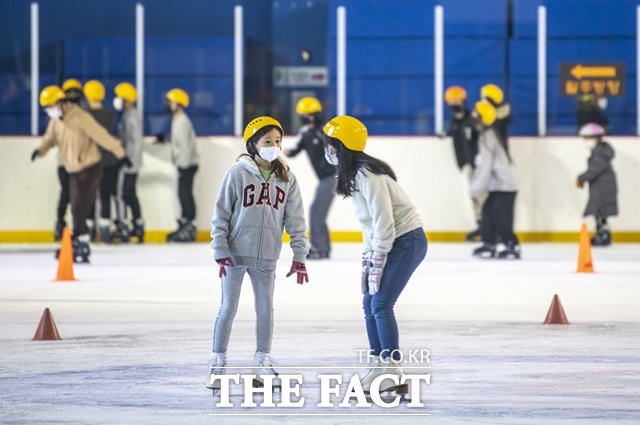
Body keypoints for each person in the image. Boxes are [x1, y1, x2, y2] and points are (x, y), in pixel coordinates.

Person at [322, 115, 427, 396]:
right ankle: (378, 366)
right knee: (369, 302)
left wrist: (378, 256)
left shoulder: (367, 174)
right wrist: (369, 255)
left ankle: (392, 369)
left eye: (330, 145)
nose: (327, 150)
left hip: (406, 241)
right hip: (389, 242)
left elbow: (384, 221)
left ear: (340, 147)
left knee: (381, 302)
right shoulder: (356, 174)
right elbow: (370, 224)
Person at [207, 116, 309, 393]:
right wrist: (220, 250)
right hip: (235, 254)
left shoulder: (287, 178)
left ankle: (262, 361)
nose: (274, 146)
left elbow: (296, 221)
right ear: (253, 144)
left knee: (265, 309)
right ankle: (218, 361)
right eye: (267, 142)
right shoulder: (236, 174)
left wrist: (299, 255)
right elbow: (221, 215)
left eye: (277, 141)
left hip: (267, 255)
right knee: (228, 307)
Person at [31, 86, 130, 263]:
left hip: (90, 166)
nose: (50, 111)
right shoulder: (56, 122)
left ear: (61, 103)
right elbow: (49, 138)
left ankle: (80, 241)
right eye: (47, 108)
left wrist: (120, 153)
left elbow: (101, 135)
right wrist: (40, 150)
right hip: (73, 169)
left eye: (52, 106)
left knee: (78, 206)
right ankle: (80, 239)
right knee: (77, 207)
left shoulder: (80, 117)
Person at [283, 97, 336, 259]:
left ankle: (319, 248)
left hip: (332, 176)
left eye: (311, 115)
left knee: (316, 211)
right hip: (324, 178)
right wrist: (289, 152)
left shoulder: (326, 130)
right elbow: (296, 149)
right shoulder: (305, 133)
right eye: (306, 115)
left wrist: (318, 129)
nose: (308, 118)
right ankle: (323, 248)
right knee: (318, 211)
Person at [469, 101, 520, 259]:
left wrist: (475, 189)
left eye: (476, 114)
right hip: (499, 185)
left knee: (500, 217)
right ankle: (489, 243)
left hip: (505, 185)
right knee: (488, 212)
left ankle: (512, 245)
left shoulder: (487, 137)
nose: (472, 117)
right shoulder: (488, 134)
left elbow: (485, 167)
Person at [442, 86, 483, 241]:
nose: (454, 104)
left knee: (482, 194)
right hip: (466, 163)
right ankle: (480, 224)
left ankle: (487, 226)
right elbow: (456, 133)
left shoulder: (471, 117)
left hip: (477, 163)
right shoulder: (455, 120)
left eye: (457, 101)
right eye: (451, 101)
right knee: (474, 195)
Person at [83, 79, 118, 243]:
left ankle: (89, 228)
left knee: (89, 196)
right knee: (105, 196)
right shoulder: (111, 115)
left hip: (91, 162)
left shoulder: (85, 115)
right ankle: (104, 229)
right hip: (109, 161)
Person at [164, 88, 199, 242]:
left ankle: (189, 225)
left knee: (185, 195)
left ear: (178, 104)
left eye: (171, 102)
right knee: (182, 194)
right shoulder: (177, 120)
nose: (168, 105)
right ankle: (185, 222)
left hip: (187, 164)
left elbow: (185, 147)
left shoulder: (182, 122)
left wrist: (182, 166)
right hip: (184, 163)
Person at [52, 79, 84, 240]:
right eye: (69, 92)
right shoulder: (59, 114)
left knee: (79, 196)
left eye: (75, 92)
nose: (72, 95)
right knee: (66, 194)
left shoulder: (83, 113)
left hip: (80, 163)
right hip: (64, 162)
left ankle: (79, 226)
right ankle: (60, 223)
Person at [576, 123, 618, 246]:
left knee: (600, 211)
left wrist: (581, 178)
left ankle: (603, 235)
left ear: (598, 138)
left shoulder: (600, 153)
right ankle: (602, 233)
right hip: (602, 186)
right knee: (599, 212)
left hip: (603, 187)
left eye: (588, 138)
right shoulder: (601, 152)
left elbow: (595, 170)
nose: (586, 141)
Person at [113, 82, 144, 243]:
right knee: (131, 194)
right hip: (132, 160)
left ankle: (123, 225)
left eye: (120, 97)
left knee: (121, 194)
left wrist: (128, 159)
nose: (117, 100)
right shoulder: (129, 115)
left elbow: (134, 141)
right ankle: (138, 225)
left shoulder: (130, 116)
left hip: (129, 161)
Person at [480, 83, 512, 160]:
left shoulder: (496, 116)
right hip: (491, 153)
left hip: (496, 155)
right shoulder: (502, 114)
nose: (482, 100)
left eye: (483, 97)